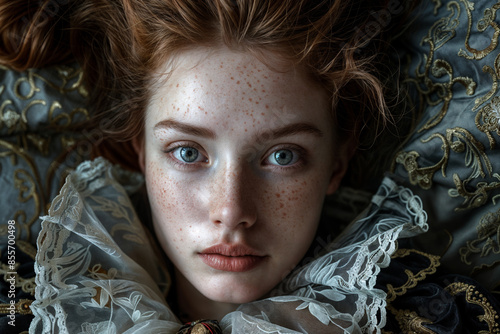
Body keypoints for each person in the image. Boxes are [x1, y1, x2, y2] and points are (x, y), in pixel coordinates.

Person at [0, 1, 432, 333]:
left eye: (283, 155)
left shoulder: (428, 316)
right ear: (140, 152)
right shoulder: (23, 307)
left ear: (336, 164)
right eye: (188, 152)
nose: (231, 210)